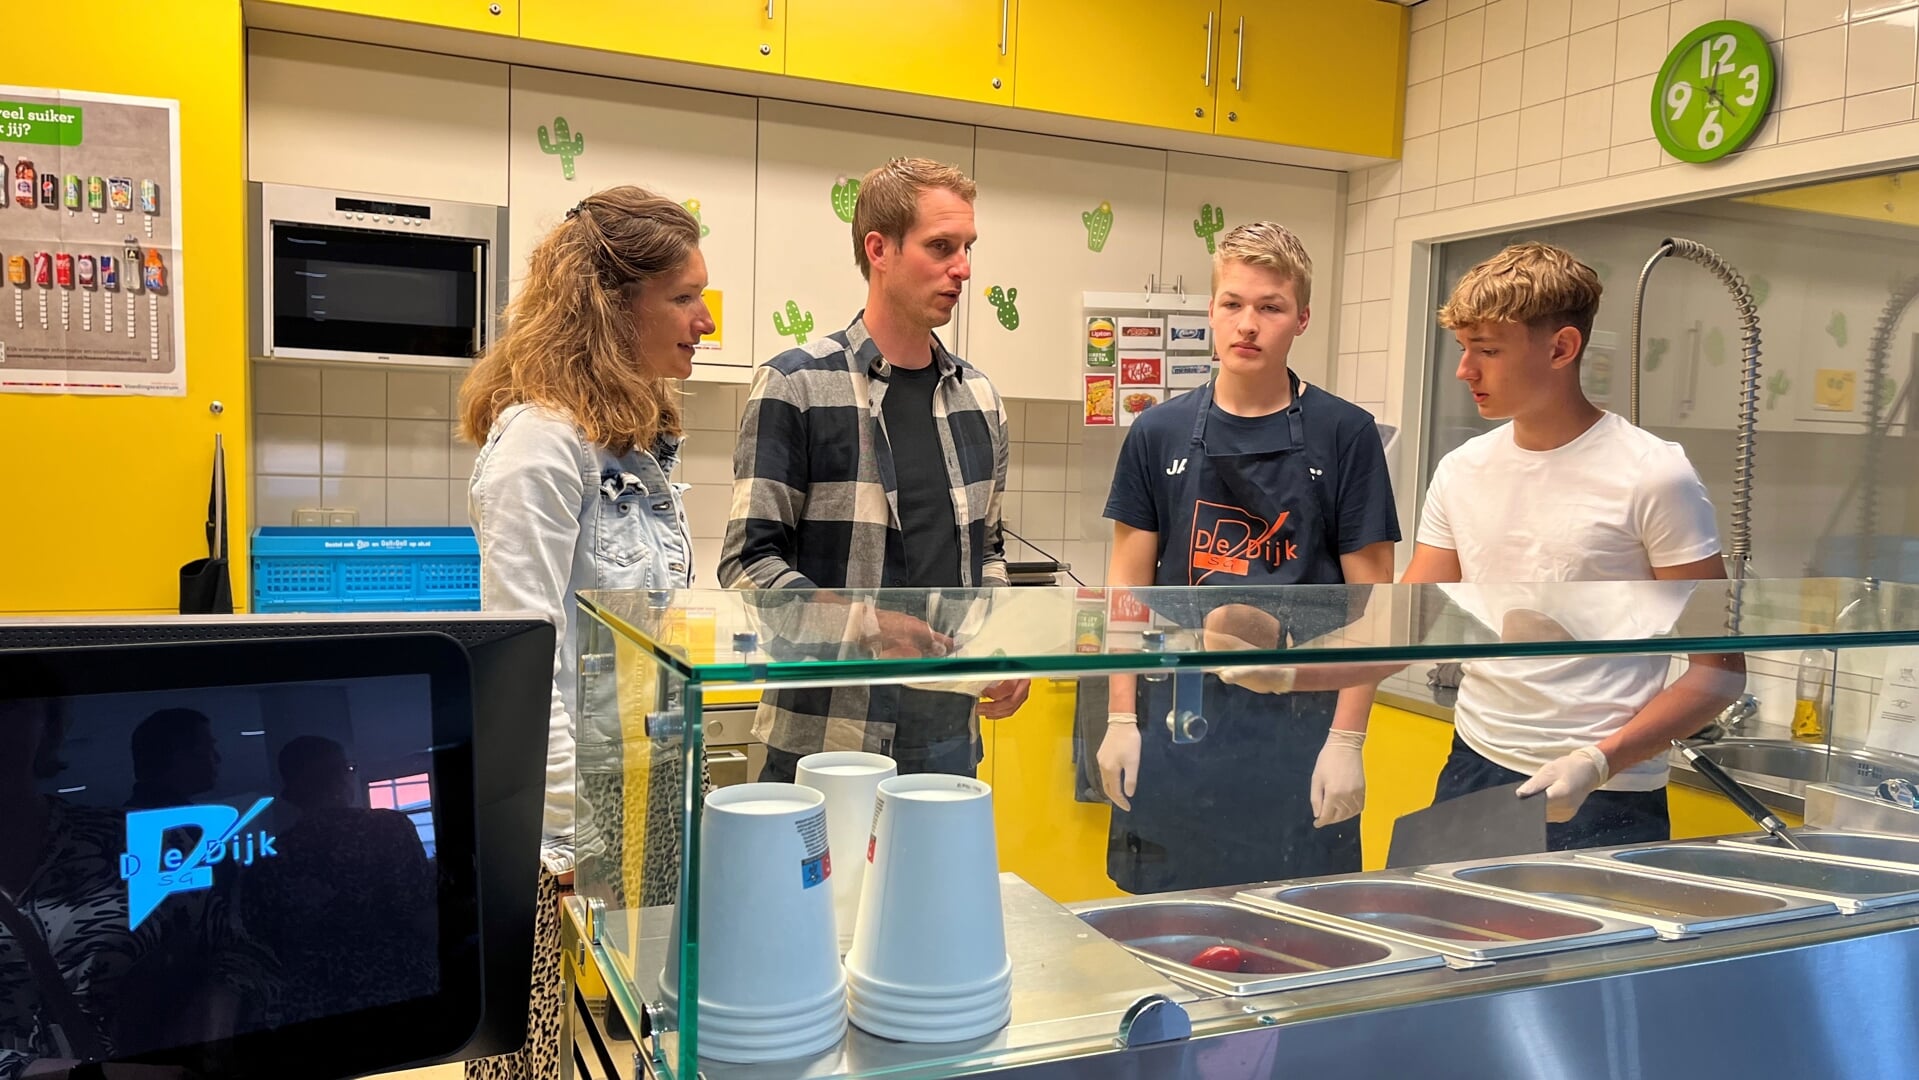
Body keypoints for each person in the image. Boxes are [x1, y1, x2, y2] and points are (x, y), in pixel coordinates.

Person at [1221, 242, 1744, 851]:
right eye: (1464, 348)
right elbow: (1406, 631)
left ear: (1562, 348)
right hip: (1473, 767)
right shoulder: (1463, 470)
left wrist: (1600, 761)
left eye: (1488, 350)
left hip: (1604, 792)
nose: (1465, 370)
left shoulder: (1654, 476)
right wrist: (1288, 672)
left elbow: (1719, 674)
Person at [457, 185, 712, 1080]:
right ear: (612, 305)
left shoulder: (629, 447)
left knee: (649, 1046)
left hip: (640, 798)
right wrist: (567, 843)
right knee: (526, 1063)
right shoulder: (539, 446)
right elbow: (527, 662)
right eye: (683, 297)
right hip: (561, 823)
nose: (704, 320)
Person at [1094, 221, 1400, 894]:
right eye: (1231, 303)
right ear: (1210, 310)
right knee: (1163, 932)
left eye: (1270, 307)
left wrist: (1346, 741)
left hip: (1299, 735)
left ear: (1301, 319)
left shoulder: (1344, 434)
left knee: (1295, 937)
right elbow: (1126, 587)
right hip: (1179, 725)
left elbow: (1374, 604)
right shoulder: (1157, 432)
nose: (1247, 324)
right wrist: (1120, 717)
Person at [718, 157, 1027, 783]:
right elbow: (749, 566)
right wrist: (867, 627)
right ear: (879, 249)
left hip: (948, 737)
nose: (962, 267)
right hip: (826, 734)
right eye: (941, 247)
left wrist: (1002, 643)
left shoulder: (981, 398)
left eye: (967, 247)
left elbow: (987, 550)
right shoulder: (797, 384)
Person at [125, 708, 219, 810]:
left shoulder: (129, 817)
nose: (218, 758)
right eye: (207, 749)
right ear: (179, 757)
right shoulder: (177, 821)